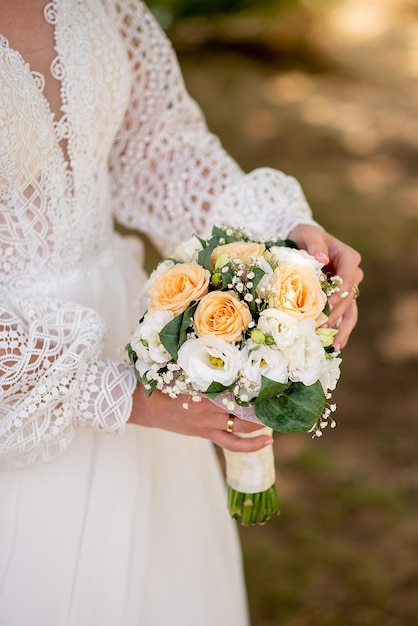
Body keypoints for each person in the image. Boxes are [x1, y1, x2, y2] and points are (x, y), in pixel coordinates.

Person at [0, 1, 363, 624]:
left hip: (130, 328)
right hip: (28, 384)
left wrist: (282, 243)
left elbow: (154, 150)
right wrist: (119, 397)